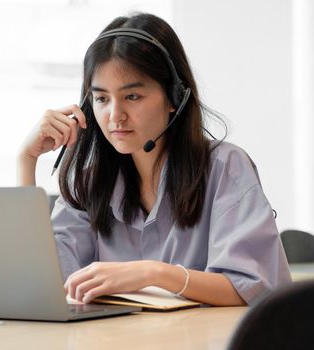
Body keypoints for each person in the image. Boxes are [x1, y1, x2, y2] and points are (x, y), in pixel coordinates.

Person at [17, 12, 291, 306]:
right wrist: (26, 160)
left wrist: (154, 273)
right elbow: (43, 279)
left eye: (132, 96)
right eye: (102, 99)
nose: (115, 115)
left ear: (175, 96)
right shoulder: (92, 181)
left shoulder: (225, 167)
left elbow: (252, 287)